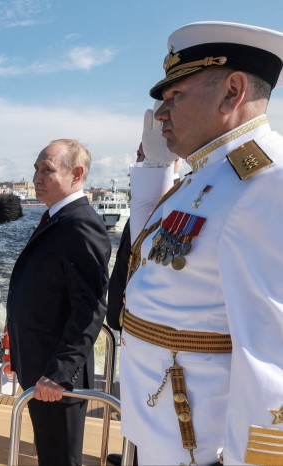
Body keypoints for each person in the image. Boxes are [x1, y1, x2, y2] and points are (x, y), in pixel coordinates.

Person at [120, 21, 283, 465]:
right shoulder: (211, 175)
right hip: (164, 431)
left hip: (199, 449)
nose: (160, 114)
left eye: (175, 97)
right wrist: (154, 170)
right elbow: (154, 259)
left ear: (232, 91)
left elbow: (272, 355)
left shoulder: (267, 184)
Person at [6, 139, 111, 465]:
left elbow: (90, 306)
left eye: (47, 170)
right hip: (39, 367)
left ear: (76, 173)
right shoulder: (58, 218)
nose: (37, 177)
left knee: (60, 459)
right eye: (36, 169)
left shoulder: (80, 224)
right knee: (49, 453)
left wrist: (59, 372)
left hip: (56, 377)